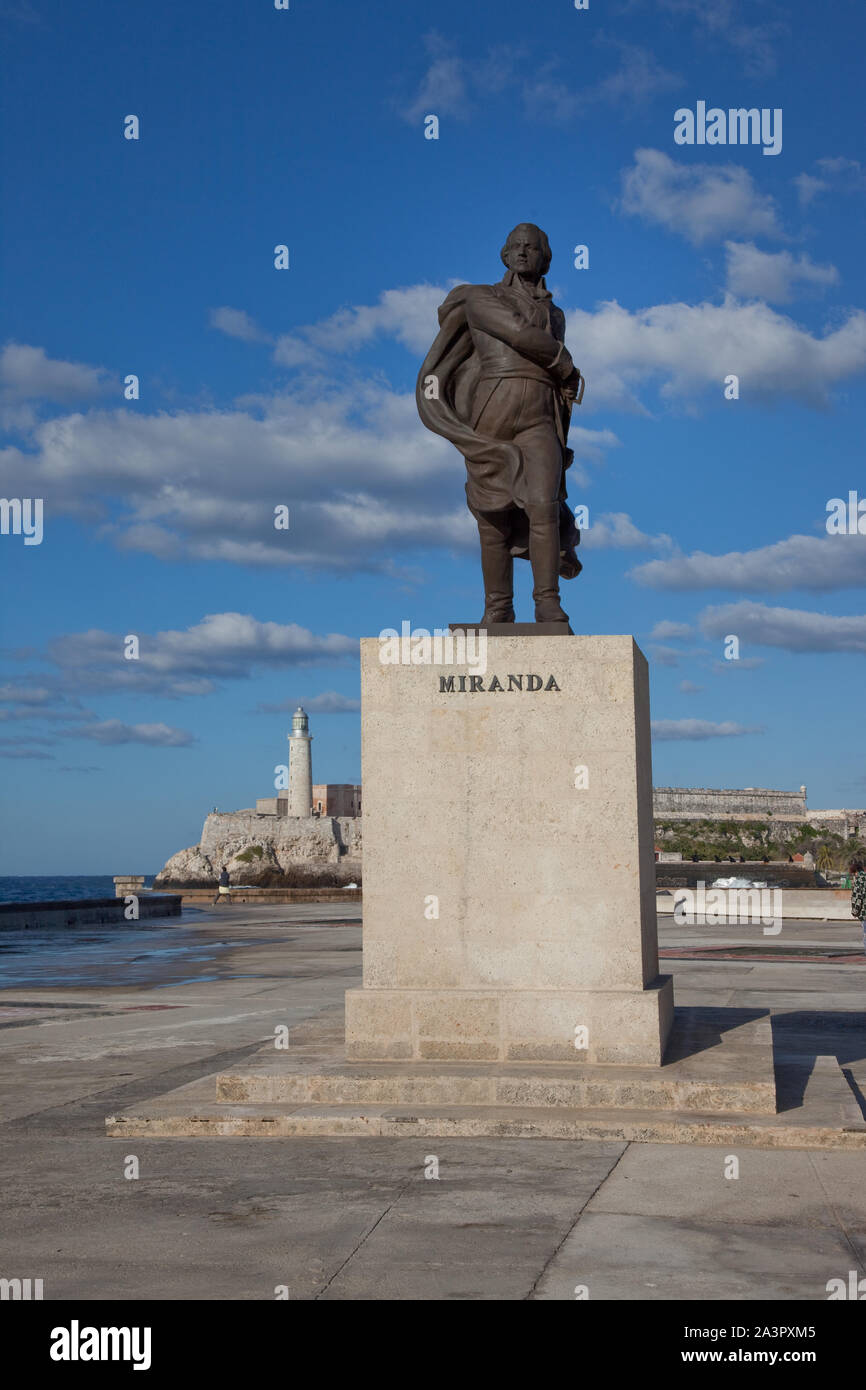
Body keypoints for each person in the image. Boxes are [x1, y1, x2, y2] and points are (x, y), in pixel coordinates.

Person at [417, 224, 583, 625]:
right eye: (516, 247)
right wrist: (563, 360)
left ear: (545, 258)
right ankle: (498, 609)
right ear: (505, 256)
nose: (524, 252)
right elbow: (517, 333)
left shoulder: (556, 314)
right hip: (494, 405)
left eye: (532, 247)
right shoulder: (480, 298)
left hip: (539, 414)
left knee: (543, 504)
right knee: (493, 515)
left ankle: (547, 602)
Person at [849, 858, 866, 952]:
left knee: (865, 934)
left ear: (856, 872)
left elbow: (858, 897)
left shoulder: (860, 879)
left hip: (864, 913)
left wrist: (854, 911)